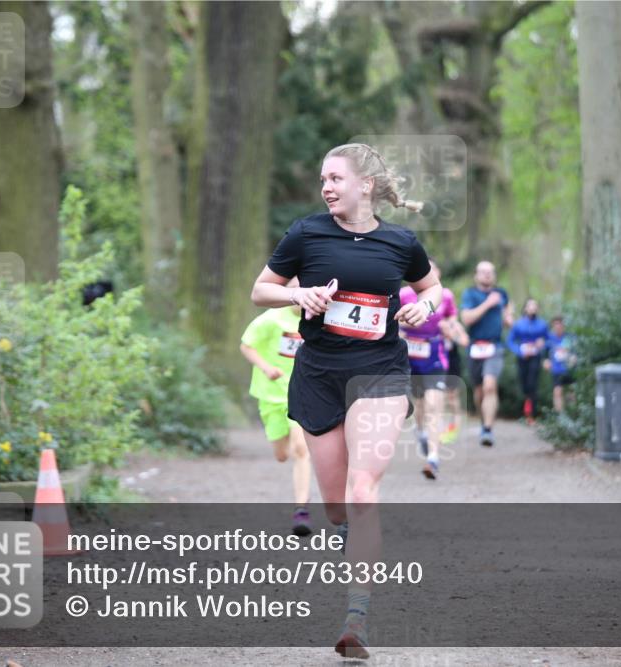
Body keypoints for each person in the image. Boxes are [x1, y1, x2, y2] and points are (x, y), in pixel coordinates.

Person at [250, 143, 440, 660]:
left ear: (365, 185)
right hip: (319, 376)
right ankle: (348, 533)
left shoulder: (400, 242)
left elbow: (432, 286)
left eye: (335, 178)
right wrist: (298, 295)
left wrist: (423, 307)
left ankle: (357, 616)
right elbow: (261, 290)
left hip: (379, 373)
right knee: (337, 506)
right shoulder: (306, 234)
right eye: (322, 180)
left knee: (361, 491)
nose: (326, 187)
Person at [239, 281, 313, 536]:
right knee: (282, 454)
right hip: (272, 395)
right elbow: (246, 345)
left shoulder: (316, 322)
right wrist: (266, 368)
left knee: (301, 449)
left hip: (303, 394)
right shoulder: (271, 319)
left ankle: (301, 509)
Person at [399, 258, 458, 480]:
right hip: (411, 354)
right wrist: (402, 327)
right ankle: (420, 430)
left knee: (434, 404)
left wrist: (450, 327)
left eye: (433, 269)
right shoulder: (404, 294)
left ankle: (433, 457)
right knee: (420, 403)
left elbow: (452, 318)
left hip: (435, 354)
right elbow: (391, 320)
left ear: (439, 273)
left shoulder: (446, 295)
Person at [460, 261, 513, 447]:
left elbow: (508, 316)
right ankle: (484, 421)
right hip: (475, 346)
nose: (487, 275)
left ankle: (488, 430)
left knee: (490, 386)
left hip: (494, 346)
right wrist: (488, 304)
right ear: (476, 275)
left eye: (490, 272)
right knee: (479, 391)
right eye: (483, 272)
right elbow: (466, 319)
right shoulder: (470, 294)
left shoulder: (502, 294)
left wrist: (509, 319)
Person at [507, 298, 548, 425]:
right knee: (524, 385)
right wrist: (520, 351)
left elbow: (548, 340)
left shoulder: (542, 324)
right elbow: (510, 341)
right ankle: (525, 411)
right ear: (525, 308)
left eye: (535, 305)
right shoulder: (518, 324)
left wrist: (542, 344)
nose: (533, 308)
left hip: (535, 357)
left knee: (532, 384)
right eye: (530, 305)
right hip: (522, 358)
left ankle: (531, 415)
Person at [440, 305, 470, 444]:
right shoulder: (433, 321)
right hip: (436, 362)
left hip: (452, 363)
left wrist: (452, 336)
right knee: (439, 397)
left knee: (452, 397)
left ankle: (454, 428)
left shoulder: (454, 324)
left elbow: (465, 341)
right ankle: (440, 429)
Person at [543, 316, 578, 413]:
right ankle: (559, 415)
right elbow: (544, 353)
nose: (558, 326)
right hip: (556, 369)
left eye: (560, 324)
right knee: (557, 391)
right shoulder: (549, 338)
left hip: (569, 369)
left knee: (571, 392)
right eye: (555, 324)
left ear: (563, 325)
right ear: (553, 326)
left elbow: (576, 351)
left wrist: (574, 357)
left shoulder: (570, 337)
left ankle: (572, 414)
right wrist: (545, 361)